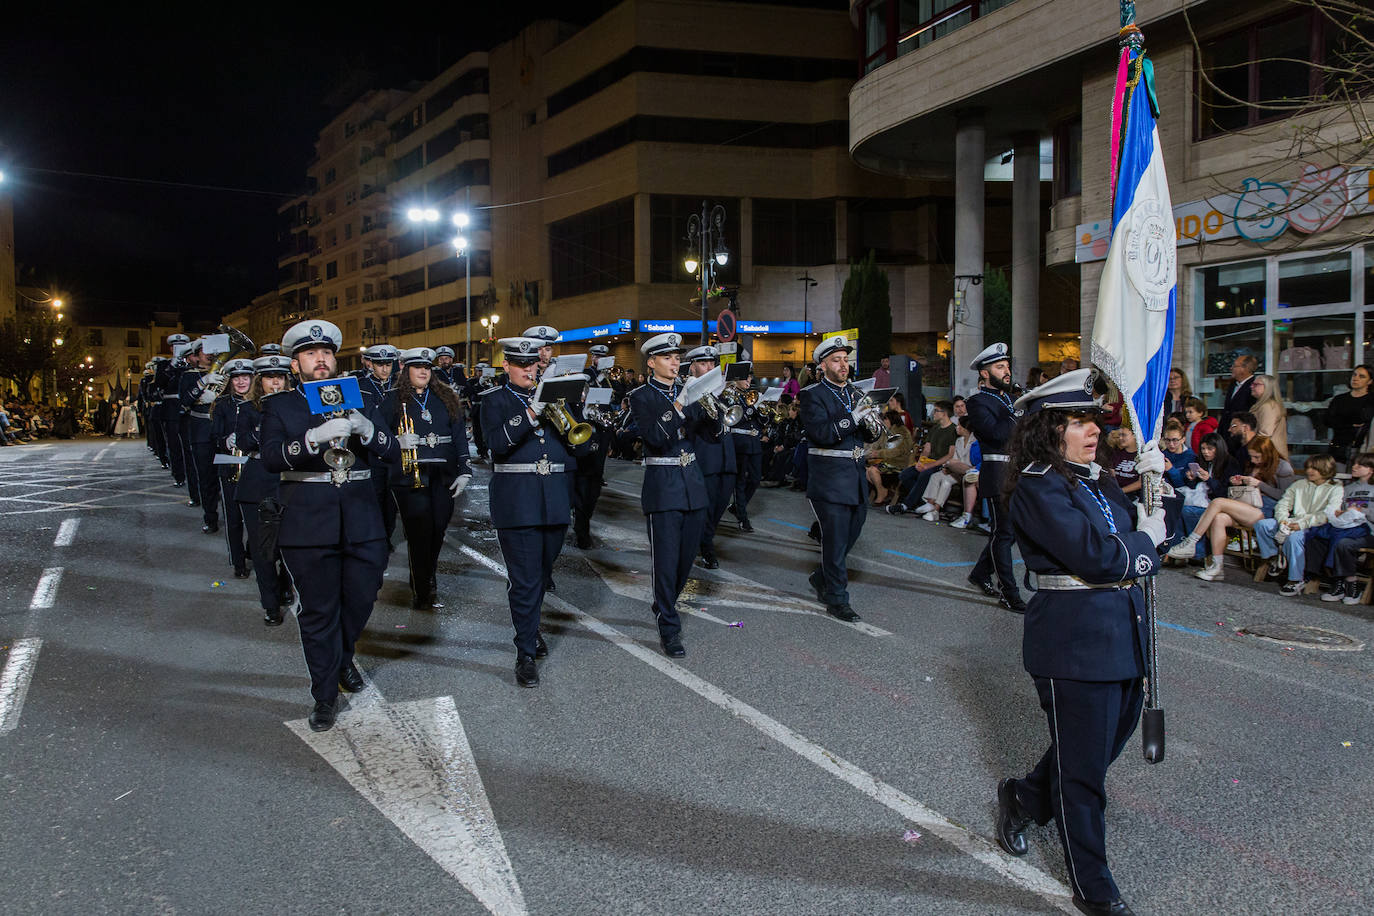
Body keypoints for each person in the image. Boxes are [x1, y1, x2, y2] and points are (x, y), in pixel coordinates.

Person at [994, 368, 1167, 916]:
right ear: (1048, 428)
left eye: (1093, 417)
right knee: (1085, 772)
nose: (1093, 429)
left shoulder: (1096, 478)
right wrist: (1148, 538)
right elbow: (1101, 557)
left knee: (1093, 752)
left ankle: (1022, 797)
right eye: (1077, 420)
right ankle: (1094, 888)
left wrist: (1158, 492)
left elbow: (1138, 538)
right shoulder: (1039, 486)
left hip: (1123, 633)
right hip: (1073, 640)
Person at [260, 320, 400, 731]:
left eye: (325, 353)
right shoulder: (280, 406)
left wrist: (367, 429)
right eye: (309, 354)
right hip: (308, 519)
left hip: (361, 517)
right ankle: (324, 695)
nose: (320, 359)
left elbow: (391, 450)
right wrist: (313, 438)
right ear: (295, 363)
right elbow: (270, 457)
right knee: (320, 611)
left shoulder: (358, 399)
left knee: (362, 597)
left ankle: (340, 659)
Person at [480, 337, 587, 686]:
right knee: (525, 580)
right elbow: (495, 445)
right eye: (521, 365)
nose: (530, 369)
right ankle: (525, 651)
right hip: (517, 501)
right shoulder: (494, 401)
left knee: (541, 574)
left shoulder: (556, 400)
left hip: (554, 498)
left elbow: (577, 447)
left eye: (533, 364)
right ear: (507, 366)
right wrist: (530, 413)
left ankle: (530, 627)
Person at [629, 333, 710, 655]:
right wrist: (680, 403)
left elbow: (712, 435)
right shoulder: (642, 396)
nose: (676, 362)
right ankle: (668, 625)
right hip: (663, 484)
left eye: (678, 357)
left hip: (693, 482)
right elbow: (656, 437)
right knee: (665, 561)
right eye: (667, 357)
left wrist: (712, 408)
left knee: (685, 560)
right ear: (651, 362)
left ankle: (664, 604)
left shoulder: (690, 390)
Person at [799, 334, 883, 622]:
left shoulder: (856, 394)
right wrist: (853, 418)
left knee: (851, 535)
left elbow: (870, 434)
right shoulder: (812, 394)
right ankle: (837, 599)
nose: (843, 364)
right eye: (836, 360)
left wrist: (873, 420)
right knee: (834, 542)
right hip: (829, 479)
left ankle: (822, 577)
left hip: (856, 477)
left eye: (846, 359)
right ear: (823, 365)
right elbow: (822, 434)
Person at [386, 347, 473, 610]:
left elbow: (459, 435)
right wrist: (396, 442)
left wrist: (465, 470)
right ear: (406, 370)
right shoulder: (392, 399)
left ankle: (427, 572)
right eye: (417, 367)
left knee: (438, 530)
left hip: (442, 475)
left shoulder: (445, 396)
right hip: (409, 477)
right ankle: (421, 588)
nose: (423, 371)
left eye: (427, 367)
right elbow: (377, 436)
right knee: (419, 533)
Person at [1167, 434, 1294, 580]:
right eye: (1252, 456)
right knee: (1219, 518)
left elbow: (1285, 496)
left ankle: (1191, 542)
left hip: (1267, 511)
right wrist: (1240, 482)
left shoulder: (1283, 467)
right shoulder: (1252, 465)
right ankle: (1217, 567)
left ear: (1268, 454)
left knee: (1218, 502)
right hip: (1248, 507)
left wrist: (1259, 484)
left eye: (1257, 457)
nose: (1253, 460)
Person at [965, 342, 1026, 613]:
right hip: (997, 471)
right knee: (1004, 533)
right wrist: (1016, 411)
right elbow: (997, 435)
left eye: (1007, 366)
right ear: (985, 373)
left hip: (1019, 471)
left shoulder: (1011, 400)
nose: (1007, 371)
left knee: (1008, 533)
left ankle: (980, 573)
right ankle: (1009, 592)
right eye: (1000, 367)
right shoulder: (977, 402)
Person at [235, 355, 295, 626]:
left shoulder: (296, 407)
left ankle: (284, 586)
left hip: (288, 482)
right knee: (262, 551)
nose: (275, 382)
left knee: (289, 544)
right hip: (257, 483)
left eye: (280, 377)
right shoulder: (248, 409)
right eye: (270, 377)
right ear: (260, 381)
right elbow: (243, 441)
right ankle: (270, 606)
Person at [1251, 454, 1341, 595]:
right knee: (1262, 525)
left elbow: (1327, 514)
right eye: (1308, 467)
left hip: (1314, 526)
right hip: (1292, 520)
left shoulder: (1335, 488)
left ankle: (1295, 580)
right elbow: (1283, 504)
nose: (1309, 471)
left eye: (1314, 468)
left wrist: (1302, 524)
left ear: (1325, 469)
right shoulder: (1299, 484)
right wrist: (1283, 520)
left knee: (1294, 538)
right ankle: (1274, 558)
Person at [683, 345, 735, 568]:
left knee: (719, 507)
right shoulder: (688, 391)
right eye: (704, 363)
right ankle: (706, 547)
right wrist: (709, 396)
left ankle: (702, 541)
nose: (709, 367)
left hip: (727, 458)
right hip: (707, 458)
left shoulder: (721, 389)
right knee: (706, 507)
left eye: (712, 363)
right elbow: (693, 419)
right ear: (692, 366)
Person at [1303, 451, 1374, 603]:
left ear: (1371, 469)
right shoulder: (1347, 488)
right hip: (1346, 527)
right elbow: (1339, 511)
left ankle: (1351, 583)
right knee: (1316, 538)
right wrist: (1340, 513)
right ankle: (1328, 580)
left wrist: (1363, 512)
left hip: (1369, 531)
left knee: (1344, 543)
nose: (1354, 467)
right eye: (1354, 463)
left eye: (1359, 465)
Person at [211, 358, 255, 578]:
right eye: (237, 378)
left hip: (252, 465)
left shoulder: (257, 404)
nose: (241, 382)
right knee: (233, 518)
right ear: (230, 381)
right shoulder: (222, 405)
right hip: (228, 464)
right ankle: (238, 563)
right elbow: (213, 434)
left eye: (245, 377)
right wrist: (224, 440)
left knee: (255, 518)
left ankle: (250, 551)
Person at [357, 344, 400, 549]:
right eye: (379, 364)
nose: (384, 369)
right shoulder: (360, 385)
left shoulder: (400, 385)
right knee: (374, 497)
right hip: (369, 452)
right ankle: (376, 537)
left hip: (393, 449)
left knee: (391, 501)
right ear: (370, 364)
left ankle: (387, 536)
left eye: (388, 364)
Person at [179, 341, 222, 533]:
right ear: (197, 354)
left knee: (228, 477)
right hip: (201, 431)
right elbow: (185, 400)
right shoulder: (189, 376)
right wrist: (203, 382)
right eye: (206, 351)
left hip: (222, 430)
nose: (211, 355)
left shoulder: (224, 373)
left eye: (214, 351)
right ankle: (210, 518)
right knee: (206, 478)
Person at [887, 400, 958, 515]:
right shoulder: (935, 428)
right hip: (929, 462)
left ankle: (906, 505)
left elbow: (950, 455)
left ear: (944, 413)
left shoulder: (952, 430)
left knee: (925, 474)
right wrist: (921, 461)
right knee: (905, 474)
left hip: (941, 464)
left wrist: (930, 465)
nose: (933, 413)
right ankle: (920, 501)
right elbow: (927, 449)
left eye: (936, 411)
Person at [914, 415, 978, 525]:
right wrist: (948, 467)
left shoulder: (975, 442)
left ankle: (935, 510)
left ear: (965, 428)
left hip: (968, 471)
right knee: (937, 476)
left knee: (946, 480)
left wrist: (953, 466)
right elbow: (955, 458)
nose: (956, 427)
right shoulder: (959, 441)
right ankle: (932, 506)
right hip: (956, 471)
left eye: (959, 425)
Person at [727, 369, 764, 532]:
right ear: (737, 380)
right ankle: (743, 517)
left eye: (749, 377)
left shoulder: (753, 395)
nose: (749, 380)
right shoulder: (730, 396)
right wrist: (751, 409)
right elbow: (732, 419)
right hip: (740, 442)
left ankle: (736, 506)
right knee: (740, 481)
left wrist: (763, 410)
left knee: (755, 479)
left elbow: (763, 421)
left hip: (754, 443)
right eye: (745, 377)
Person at [155, 336, 191, 487]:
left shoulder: (190, 363)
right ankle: (179, 475)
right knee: (175, 445)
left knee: (189, 445)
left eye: (182, 346)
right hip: (171, 409)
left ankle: (191, 475)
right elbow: (159, 384)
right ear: (171, 349)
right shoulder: (164, 365)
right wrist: (171, 367)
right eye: (176, 346)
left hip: (188, 407)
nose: (179, 349)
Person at [1326, 365, 1374, 465]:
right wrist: (1349, 423)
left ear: (1370, 381)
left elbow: (1364, 418)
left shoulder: (1371, 400)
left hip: (1362, 449)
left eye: (1362, 376)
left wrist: (1342, 420)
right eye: (1354, 374)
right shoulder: (1339, 399)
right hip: (1338, 447)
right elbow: (1327, 420)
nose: (1355, 378)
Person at [864, 410, 913, 505]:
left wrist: (878, 453)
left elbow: (897, 451)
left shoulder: (902, 432)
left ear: (892, 420)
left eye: (885, 419)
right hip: (887, 461)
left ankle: (881, 492)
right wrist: (868, 452)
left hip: (898, 463)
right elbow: (876, 444)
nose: (883, 422)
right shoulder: (886, 431)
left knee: (873, 471)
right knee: (867, 470)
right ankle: (882, 490)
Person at [1249, 373, 1288, 457]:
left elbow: (1265, 434)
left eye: (1256, 384)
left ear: (1268, 387)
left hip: (1268, 454)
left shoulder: (1268, 406)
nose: (1251, 387)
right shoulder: (1261, 405)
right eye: (1252, 384)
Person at [1219, 354, 1258, 436]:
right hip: (1226, 433)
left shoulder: (1254, 386)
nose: (1231, 368)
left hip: (1241, 435)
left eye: (1234, 366)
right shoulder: (1233, 385)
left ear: (1244, 368)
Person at [1098, 427, 1142, 498]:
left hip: (1133, 496)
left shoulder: (1141, 456)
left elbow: (1140, 483)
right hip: (1115, 493)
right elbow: (1111, 475)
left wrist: (1120, 491)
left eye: (1124, 435)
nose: (1120, 438)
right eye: (1119, 435)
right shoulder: (1116, 453)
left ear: (1134, 435)